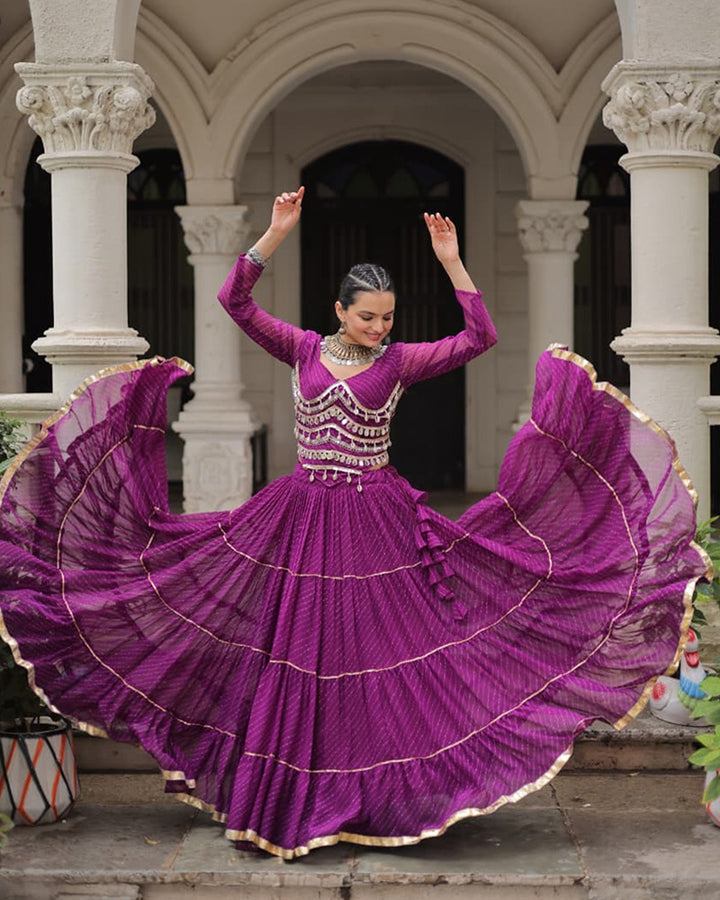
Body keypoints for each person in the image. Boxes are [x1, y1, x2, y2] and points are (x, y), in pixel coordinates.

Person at [0, 187, 708, 860]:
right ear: (340, 311)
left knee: (373, 656)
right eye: (367, 316)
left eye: (387, 318)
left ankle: (376, 799)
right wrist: (275, 234)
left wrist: (452, 261)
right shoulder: (305, 348)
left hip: (376, 523)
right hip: (301, 516)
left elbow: (481, 336)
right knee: (294, 653)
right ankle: (290, 801)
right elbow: (233, 300)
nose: (379, 327)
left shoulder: (398, 363)